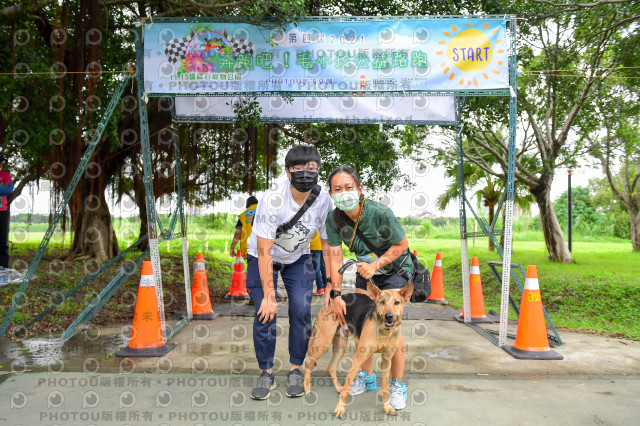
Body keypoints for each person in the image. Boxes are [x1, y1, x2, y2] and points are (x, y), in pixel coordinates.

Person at [246, 144, 332, 400]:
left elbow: (328, 245)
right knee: (265, 312)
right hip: (262, 257)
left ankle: (296, 368)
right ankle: (266, 372)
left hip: (298, 258)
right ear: (287, 172)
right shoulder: (273, 199)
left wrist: (330, 285)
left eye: (312, 168)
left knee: (301, 310)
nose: (305, 172)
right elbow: (263, 252)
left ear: (318, 172)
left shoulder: (323, 200)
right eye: (298, 168)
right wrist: (270, 296)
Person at [324, 165, 412, 410]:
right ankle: (367, 376)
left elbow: (402, 245)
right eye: (337, 189)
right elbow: (335, 257)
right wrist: (336, 294)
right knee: (364, 327)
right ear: (331, 194)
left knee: (392, 328)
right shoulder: (334, 219)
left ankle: (397, 385)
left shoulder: (379, 213)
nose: (344, 192)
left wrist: (376, 265)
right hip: (366, 272)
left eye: (349, 187)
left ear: (360, 189)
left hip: (393, 270)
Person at [0, 154, 14, 269]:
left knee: (3, 242)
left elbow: (8, 189)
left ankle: (3, 270)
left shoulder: (5, 175)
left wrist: (3, 189)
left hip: (2, 212)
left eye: (1, 162)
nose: (0, 164)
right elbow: (3, 189)